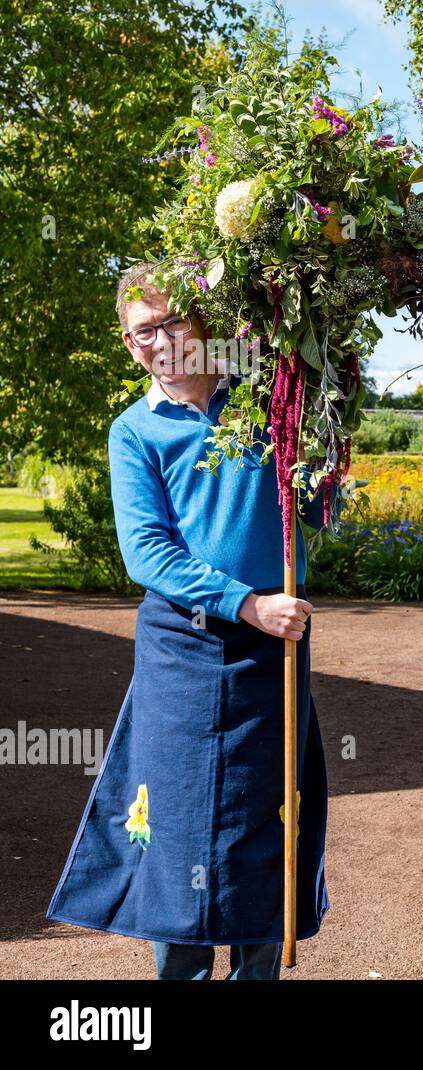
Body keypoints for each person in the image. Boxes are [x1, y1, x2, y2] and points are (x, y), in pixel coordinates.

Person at [45, 261, 330, 979]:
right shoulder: (134, 430)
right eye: (144, 331)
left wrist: (326, 476)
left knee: (267, 824)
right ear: (127, 344)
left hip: (276, 643)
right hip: (183, 648)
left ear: (202, 321)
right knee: (177, 837)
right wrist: (247, 605)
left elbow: (315, 509)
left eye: (173, 321)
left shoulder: (271, 402)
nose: (161, 340)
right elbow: (146, 552)